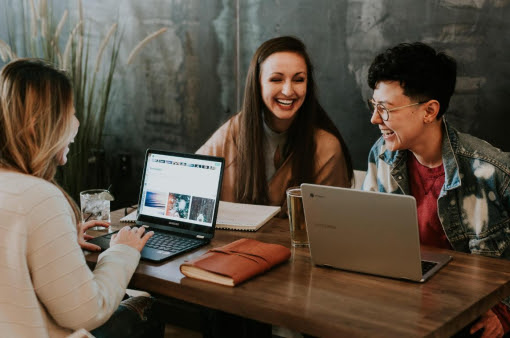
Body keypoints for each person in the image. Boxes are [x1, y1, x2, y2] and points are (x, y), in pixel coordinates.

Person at [0, 58, 162, 337]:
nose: (76, 123)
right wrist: (122, 251)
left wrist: (60, 242)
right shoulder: (39, 197)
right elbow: (88, 311)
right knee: (147, 306)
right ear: (39, 125)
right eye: (70, 113)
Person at [362, 42, 510, 337]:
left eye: (386, 109)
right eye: (374, 106)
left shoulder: (493, 172)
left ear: (429, 110)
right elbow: (371, 238)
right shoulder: (382, 154)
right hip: (407, 305)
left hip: (474, 313)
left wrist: (505, 313)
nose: (375, 119)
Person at [197, 36, 353, 213]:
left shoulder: (326, 148)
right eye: (276, 79)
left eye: (299, 80)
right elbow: (189, 184)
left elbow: (331, 224)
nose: (288, 91)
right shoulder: (233, 132)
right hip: (233, 240)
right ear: (258, 84)